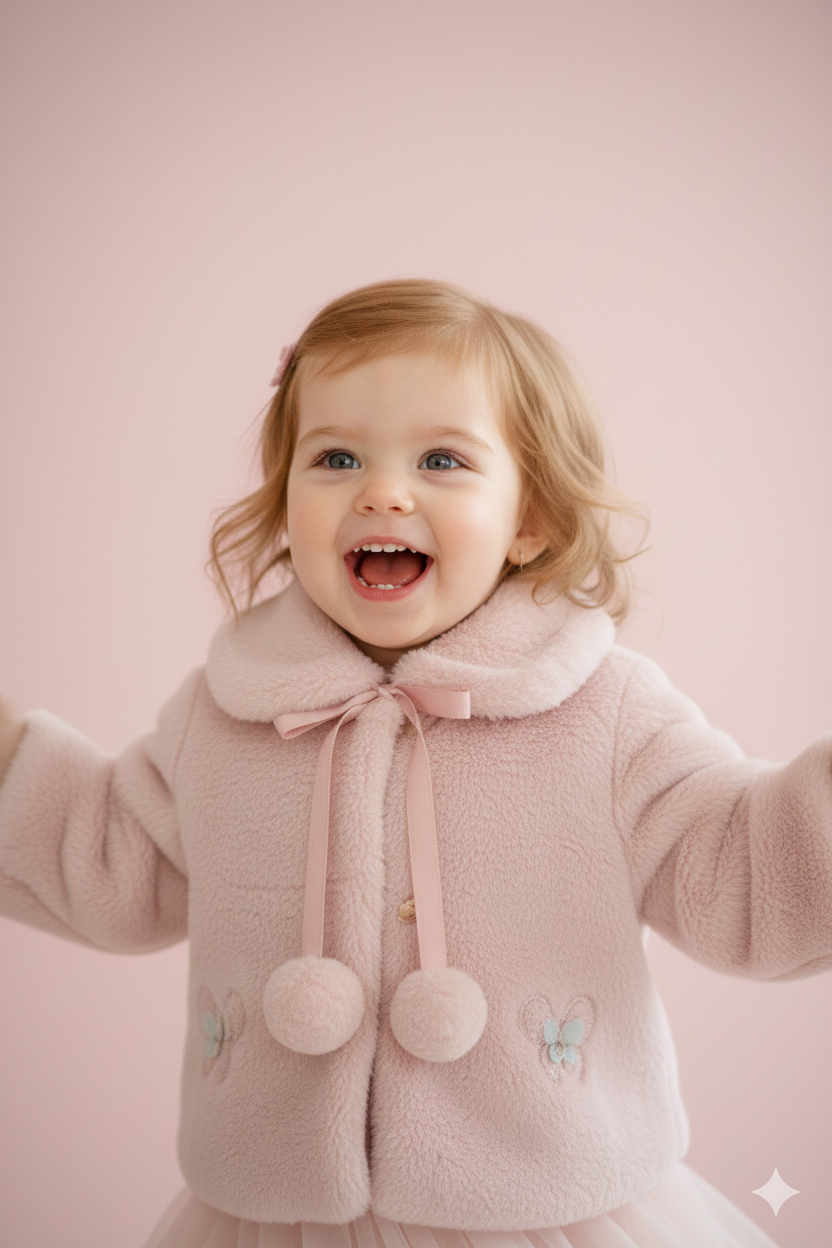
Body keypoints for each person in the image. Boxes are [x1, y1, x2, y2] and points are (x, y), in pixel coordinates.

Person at [1, 278, 828, 1248]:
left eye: (441, 460)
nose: (381, 490)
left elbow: (740, 870)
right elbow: (107, 858)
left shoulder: (605, 712)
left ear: (529, 521)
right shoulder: (223, 715)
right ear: (284, 506)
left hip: (546, 1219)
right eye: (335, 457)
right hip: (273, 1221)